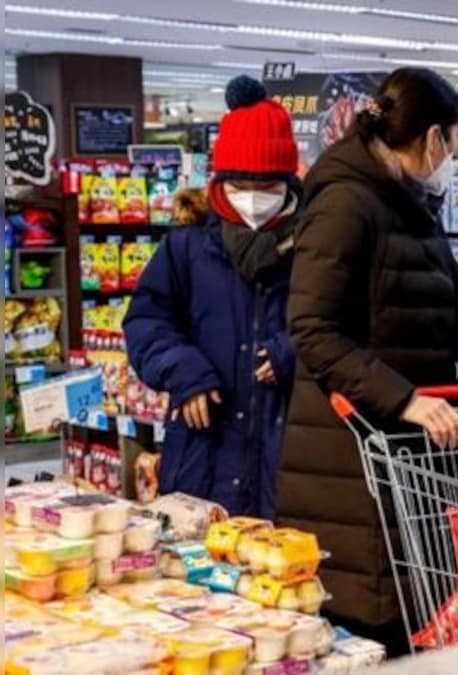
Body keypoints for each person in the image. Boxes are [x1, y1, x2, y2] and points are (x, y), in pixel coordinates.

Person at [278, 68, 458, 653]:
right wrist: (405, 398)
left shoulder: (411, 202)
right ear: (434, 138)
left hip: (410, 454)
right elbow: (311, 329)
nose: (454, 157)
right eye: (455, 143)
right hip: (352, 461)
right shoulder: (344, 203)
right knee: (374, 627)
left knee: (421, 613)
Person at [124, 76, 300, 517]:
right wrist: (184, 369)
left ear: (290, 184)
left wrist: (294, 351)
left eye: (269, 187)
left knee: (283, 576)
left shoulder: (316, 246)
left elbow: (342, 323)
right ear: (220, 182)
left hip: (288, 457)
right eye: (241, 185)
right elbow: (146, 324)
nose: (254, 199)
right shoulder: (186, 248)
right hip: (203, 456)